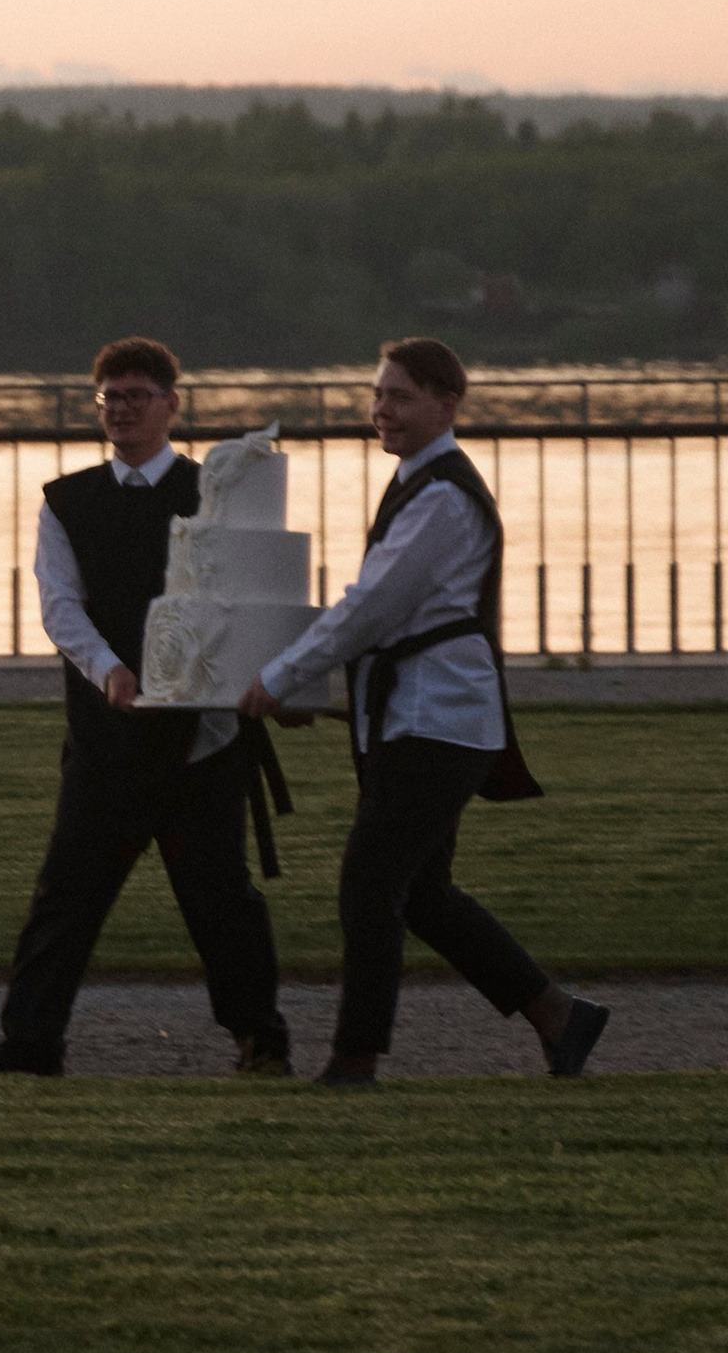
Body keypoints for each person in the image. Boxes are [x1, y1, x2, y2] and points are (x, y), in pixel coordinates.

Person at [238, 335, 607, 1084]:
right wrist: (300, 684)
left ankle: (355, 1058)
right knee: (425, 896)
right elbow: (379, 617)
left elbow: (372, 608)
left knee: (370, 885)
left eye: (400, 396)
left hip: (437, 720)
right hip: (422, 717)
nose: (381, 410)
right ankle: (560, 1017)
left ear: (448, 404)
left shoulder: (439, 496)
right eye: (377, 395)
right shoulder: (421, 484)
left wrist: (280, 676)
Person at [0, 337, 290, 1078]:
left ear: (172, 403)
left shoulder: (219, 493)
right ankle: (31, 1043)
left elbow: (248, 602)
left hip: (201, 737)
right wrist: (110, 672)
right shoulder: (64, 500)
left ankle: (261, 1038)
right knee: (65, 892)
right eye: (111, 397)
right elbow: (59, 606)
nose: (123, 409)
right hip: (104, 734)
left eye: (138, 395)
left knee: (220, 897)